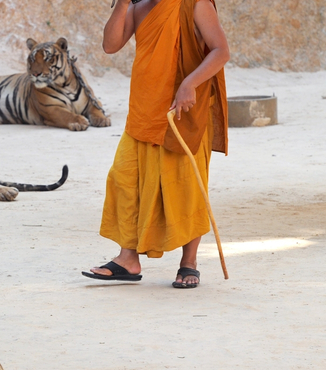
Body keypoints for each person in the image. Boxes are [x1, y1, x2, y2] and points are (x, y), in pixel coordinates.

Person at [81, 0, 229, 288]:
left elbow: (220, 51)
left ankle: (189, 262)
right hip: (143, 110)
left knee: (183, 186)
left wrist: (190, 83)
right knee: (125, 181)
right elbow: (110, 45)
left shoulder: (194, 4)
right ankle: (128, 259)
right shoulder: (138, 8)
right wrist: (122, 3)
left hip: (182, 110)